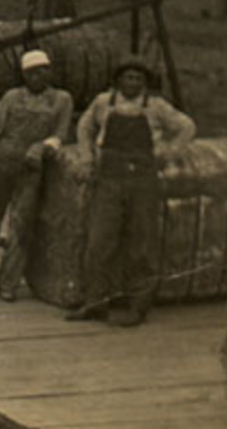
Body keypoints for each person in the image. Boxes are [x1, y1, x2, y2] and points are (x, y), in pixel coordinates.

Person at [68, 57, 196, 326]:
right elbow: (84, 126)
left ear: (145, 83)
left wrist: (165, 153)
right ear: (118, 81)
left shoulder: (157, 107)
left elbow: (187, 127)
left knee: (142, 243)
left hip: (143, 181)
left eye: (138, 79)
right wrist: (86, 157)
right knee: (99, 242)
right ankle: (95, 303)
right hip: (109, 179)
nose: (133, 83)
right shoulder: (104, 102)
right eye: (128, 77)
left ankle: (138, 307)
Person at [0, 49, 76, 302]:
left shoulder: (62, 100)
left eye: (43, 70)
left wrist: (44, 146)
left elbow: (61, 134)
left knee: (22, 226)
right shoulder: (12, 97)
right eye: (32, 72)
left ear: (49, 71)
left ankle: (8, 282)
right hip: (0, 164)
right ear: (24, 75)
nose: (38, 76)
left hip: (30, 169)